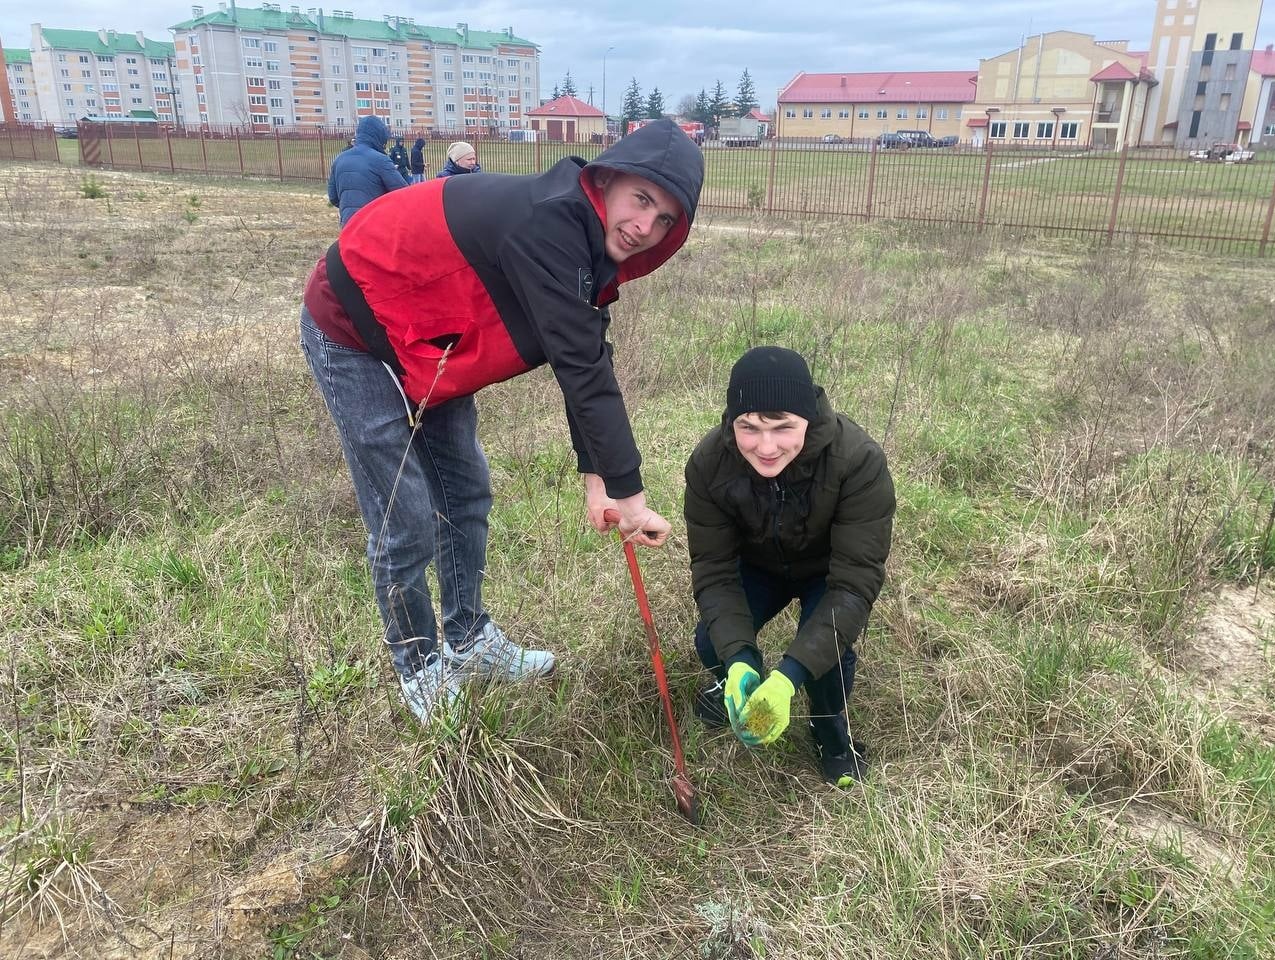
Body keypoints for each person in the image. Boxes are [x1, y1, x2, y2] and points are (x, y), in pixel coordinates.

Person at [300, 120, 704, 724]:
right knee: (405, 515)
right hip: (355, 326)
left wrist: (599, 480)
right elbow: (584, 370)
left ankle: (465, 640)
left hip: (433, 339)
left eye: (666, 219)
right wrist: (632, 493)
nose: (645, 227)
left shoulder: (584, 249)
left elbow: (583, 352)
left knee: (465, 490)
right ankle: (420, 667)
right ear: (609, 179)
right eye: (642, 200)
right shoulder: (550, 223)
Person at [683, 347, 895, 788]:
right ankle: (737, 687)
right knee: (713, 641)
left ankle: (829, 731)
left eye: (783, 428)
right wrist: (740, 660)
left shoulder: (859, 461)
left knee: (828, 662)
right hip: (760, 565)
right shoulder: (708, 464)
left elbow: (855, 584)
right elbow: (715, 570)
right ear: (732, 422)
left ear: (808, 419)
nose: (766, 447)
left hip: (828, 571)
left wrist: (789, 676)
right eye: (749, 427)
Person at [327, 116, 407, 226]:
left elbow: (333, 197)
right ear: (379, 137)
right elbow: (403, 194)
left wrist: (349, 209)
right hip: (374, 226)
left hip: (348, 225)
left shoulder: (339, 159)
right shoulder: (381, 160)